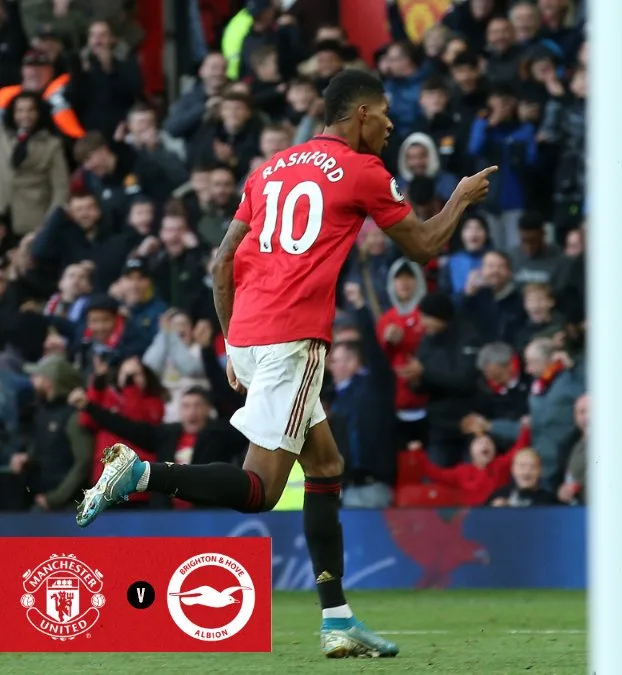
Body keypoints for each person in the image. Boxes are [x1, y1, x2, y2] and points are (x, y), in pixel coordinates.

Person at [74, 69, 497, 658]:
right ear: (359, 116)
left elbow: (222, 262)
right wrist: (460, 198)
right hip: (292, 338)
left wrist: (231, 343)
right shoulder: (365, 171)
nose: (392, 123)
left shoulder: (270, 167)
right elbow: (424, 246)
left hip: (249, 333)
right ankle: (142, 475)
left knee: (326, 466)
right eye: (383, 112)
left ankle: (339, 620)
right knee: (261, 490)